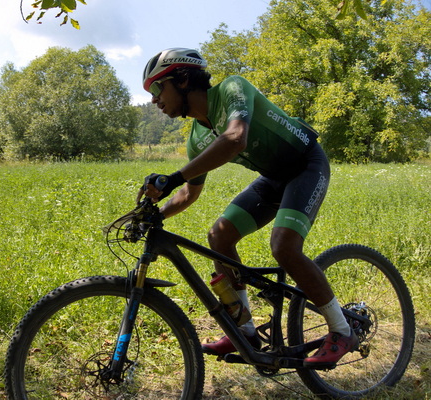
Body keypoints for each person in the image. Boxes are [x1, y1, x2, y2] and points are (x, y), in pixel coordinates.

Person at [138, 48, 357, 369]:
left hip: (306, 165)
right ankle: (246, 331)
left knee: (284, 247)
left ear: (182, 79)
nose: (154, 99)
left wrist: (173, 177)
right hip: (273, 178)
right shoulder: (197, 137)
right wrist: (156, 214)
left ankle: (342, 330)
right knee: (219, 237)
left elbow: (235, 138)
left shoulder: (232, 88)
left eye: (157, 88)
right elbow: (188, 193)